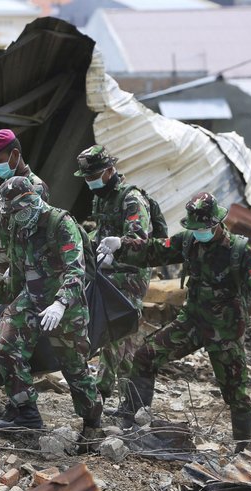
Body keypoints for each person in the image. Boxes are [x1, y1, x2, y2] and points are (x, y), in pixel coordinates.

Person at [99, 192, 251, 451]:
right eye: (195, 228)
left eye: (203, 228)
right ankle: (133, 420)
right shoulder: (189, 241)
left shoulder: (238, 251)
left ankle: (243, 449)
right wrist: (121, 245)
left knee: (236, 394)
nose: (198, 232)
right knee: (146, 355)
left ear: (215, 224)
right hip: (192, 322)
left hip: (225, 331)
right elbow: (156, 250)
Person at [0, 176, 102, 445]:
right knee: (7, 345)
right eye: (12, 213)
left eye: (21, 211)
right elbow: (16, 268)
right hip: (31, 297)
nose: (17, 217)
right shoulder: (17, 224)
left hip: (66, 305)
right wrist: (3, 295)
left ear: (33, 202)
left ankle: (92, 425)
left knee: (74, 369)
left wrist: (61, 302)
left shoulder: (60, 223)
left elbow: (76, 269)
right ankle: (26, 410)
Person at [74, 144, 153, 415]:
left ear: (109, 171)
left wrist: (119, 245)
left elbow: (141, 240)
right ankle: (105, 389)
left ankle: (133, 403)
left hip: (131, 274)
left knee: (122, 333)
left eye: (93, 176)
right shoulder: (102, 198)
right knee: (109, 332)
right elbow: (102, 231)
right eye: (86, 177)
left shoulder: (131, 199)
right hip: (109, 272)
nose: (89, 182)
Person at [0, 129, 50, 309]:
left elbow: (36, 237)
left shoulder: (36, 188)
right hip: (2, 273)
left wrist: (18, 269)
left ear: (15, 155)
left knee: (12, 329)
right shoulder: (6, 188)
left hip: (25, 275)